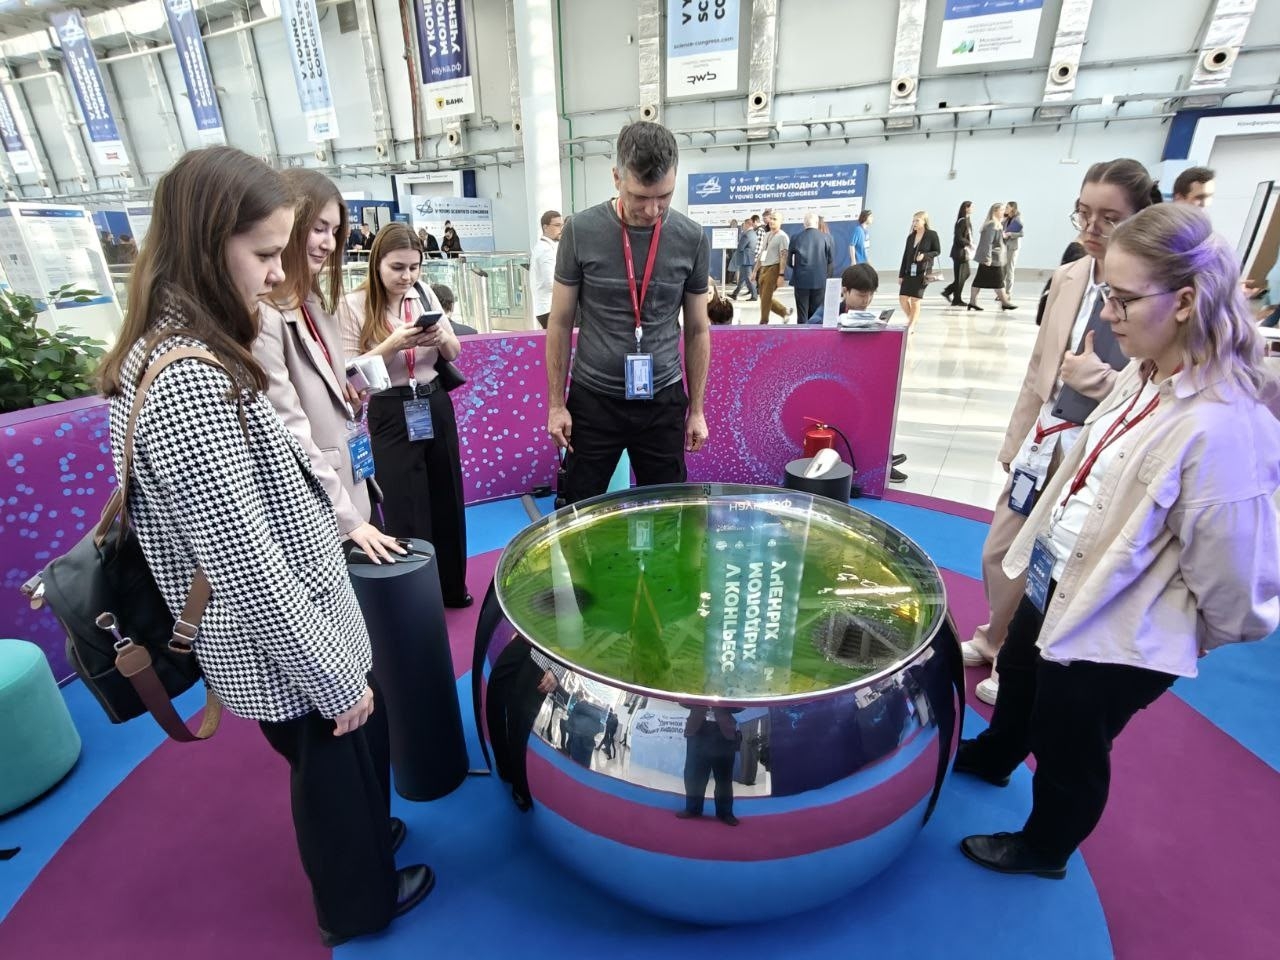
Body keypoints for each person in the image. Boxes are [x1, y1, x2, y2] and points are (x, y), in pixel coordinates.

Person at [95, 146, 432, 947]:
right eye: (262, 253)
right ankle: (357, 906)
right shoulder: (186, 378)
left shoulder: (194, 343)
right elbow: (244, 562)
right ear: (205, 243)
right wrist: (331, 676)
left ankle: (367, 844)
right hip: (284, 638)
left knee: (347, 762)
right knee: (329, 767)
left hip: (301, 615)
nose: (278, 272)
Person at [955, 203, 1280, 879]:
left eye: (1123, 299)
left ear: (1185, 301)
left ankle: (1045, 847)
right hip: (1061, 578)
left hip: (1118, 620)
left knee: (1069, 739)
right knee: (1019, 674)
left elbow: (1236, 582)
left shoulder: (1224, 428)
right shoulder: (1146, 369)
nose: (1108, 314)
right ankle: (995, 755)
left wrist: (1181, 633)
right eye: (1107, 292)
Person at [964, 159, 1162, 706]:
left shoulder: (1155, 290)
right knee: (1002, 548)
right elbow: (1039, 367)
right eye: (1084, 213)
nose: (1093, 227)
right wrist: (1016, 439)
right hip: (1045, 435)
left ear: (1141, 218)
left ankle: (1017, 661)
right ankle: (994, 637)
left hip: (1101, 449)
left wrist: (1095, 379)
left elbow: (1160, 386)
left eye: (1110, 217)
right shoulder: (1071, 274)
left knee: (1056, 563)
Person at [545, 120, 711, 505]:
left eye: (664, 196)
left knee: (669, 512)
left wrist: (697, 410)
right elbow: (560, 321)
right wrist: (556, 404)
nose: (653, 210)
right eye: (640, 197)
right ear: (617, 177)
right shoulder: (579, 231)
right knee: (579, 510)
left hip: (663, 400)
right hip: (593, 400)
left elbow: (698, 330)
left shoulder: (691, 237)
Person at [255, 168, 406, 566]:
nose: (328, 243)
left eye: (335, 231)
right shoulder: (265, 316)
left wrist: (349, 396)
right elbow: (290, 432)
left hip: (351, 485)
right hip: (320, 508)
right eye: (319, 228)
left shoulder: (314, 304)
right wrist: (349, 520)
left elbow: (327, 399)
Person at [338, 223, 472, 608]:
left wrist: (441, 338)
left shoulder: (424, 293)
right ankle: (417, 598)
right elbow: (348, 372)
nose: (407, 276)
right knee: (403, 504)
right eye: (397, 267)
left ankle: (451, 586)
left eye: (414, 267)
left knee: (447, 496)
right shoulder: (353, 304)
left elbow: (454, 352)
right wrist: (394, 343)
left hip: (434, 402)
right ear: (377, 263)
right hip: (390, 409)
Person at [677, 706, 740, 826]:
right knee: (694, 774)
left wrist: (723, 702)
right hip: (698, 729)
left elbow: (740, 706)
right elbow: (683, 700)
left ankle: (725, 812)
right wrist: (700, 700)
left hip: (724, 732)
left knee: (724, 776)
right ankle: (693, 808)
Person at [897, 210, 941, 330]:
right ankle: (912, 319)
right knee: (902, 299)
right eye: (913, 221)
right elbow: (905, 256)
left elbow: (937, 251)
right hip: (909, 272)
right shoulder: (910, 237)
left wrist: (924, 256)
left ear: (924, 221)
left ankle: (911, 325)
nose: (914, 223)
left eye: (917, 220)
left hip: (923, 272)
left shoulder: (932, 235)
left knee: (915, 300)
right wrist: (901, 275)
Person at [967, 204, 1016, 312]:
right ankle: (1005, 302)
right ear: (995, 211)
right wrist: (987, 258)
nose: (1004, 212)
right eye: (1001, 210)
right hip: (992, 259)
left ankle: (972, 302)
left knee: (979, 281)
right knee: (998, 281)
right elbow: (987, 242)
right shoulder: (992, 224)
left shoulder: (996, 224)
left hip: (993, 258)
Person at [788, 212, 832, 323]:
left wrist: (797, 268)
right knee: (816, 313)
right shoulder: (827, 238)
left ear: (804, 224)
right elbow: (830, 261)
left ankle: (802, 332)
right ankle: (814, 332)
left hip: (800, 280)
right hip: (819, 280)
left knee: (802, 313)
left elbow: (789, 262)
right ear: (817, 223)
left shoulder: (795, 238)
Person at [754, 212, 792, 323]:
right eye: (770, 218)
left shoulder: (782, 237)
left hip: (774, 268)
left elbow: (783, 256)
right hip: (763, 268)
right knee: (763, 297)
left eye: (774, 219)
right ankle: (784, 311)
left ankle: (763, 321)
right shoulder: (767, 235)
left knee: (766, 297)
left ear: (780, 222)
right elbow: (762, 253)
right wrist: (755, 270)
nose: (771, 221)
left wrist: (781, 274)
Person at [531, 209, 563, 328]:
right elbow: (551, 283)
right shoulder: (545, 249)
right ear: (545, 227)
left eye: (562, 225)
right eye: (557, 225)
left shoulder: (545, 246)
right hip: (549, 307)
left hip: (547, 307)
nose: (561, 229)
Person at [941, 201, 973, 307]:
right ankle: (956, 299)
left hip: (963, 253)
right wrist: (969, 243)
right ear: (966, 208)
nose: (973, 209)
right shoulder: (962, 221)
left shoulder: (966, 220)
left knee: (966, 274)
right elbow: (958, 238)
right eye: (971, 207)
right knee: (960, 277)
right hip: (959, 253)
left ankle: (948, 291)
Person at [729, 215, 758, 300]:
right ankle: (735, 294)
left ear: (748, 224)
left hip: (745, 259)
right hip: (748, 258)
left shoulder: (746, 235)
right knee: (742, 279)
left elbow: (740, 247)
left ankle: (754, 295)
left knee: (748, 278)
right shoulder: (753, 233)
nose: (743, 226)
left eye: (744, 225)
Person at [1002, 201, 1024, 298]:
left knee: (1009, 269)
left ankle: (1008, 293)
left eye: (1007, 207)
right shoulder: (1007, 218)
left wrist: (1010, 234)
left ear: (1012, 208)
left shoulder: (1017, 218)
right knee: (1003, 270)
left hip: (1013, 247)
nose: (1005, 208)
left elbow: (1021, 233)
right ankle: (1002, 292)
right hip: (1005, 246)